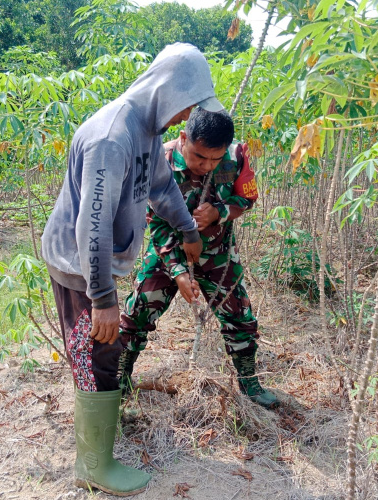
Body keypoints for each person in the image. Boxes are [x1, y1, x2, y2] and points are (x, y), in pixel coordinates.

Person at [40, 43, 224, 496]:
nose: (186, 119)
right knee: (96, 352)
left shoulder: (145, 131)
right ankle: (93, 465)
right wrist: (102, 298)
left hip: (95, 264)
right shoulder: (112, 137)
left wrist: (188, 229)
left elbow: (160, 186)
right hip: (77, 265)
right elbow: (93, 225)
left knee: (102, 350)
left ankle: (98, 447)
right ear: (167, 90)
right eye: (185, 107)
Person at [118, 108, 279, 410]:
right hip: (168, 250)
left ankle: (250, 382)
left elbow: (247, 199)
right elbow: (157, 222)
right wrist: (178, 271)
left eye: (214, 160)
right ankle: (119, 378)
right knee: (137, 313)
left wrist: (220, 211)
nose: (206, 166)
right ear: (183, 138)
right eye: (199, 157)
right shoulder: (159, 160)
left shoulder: (236, 156)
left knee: (239, 317)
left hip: (217, 252)